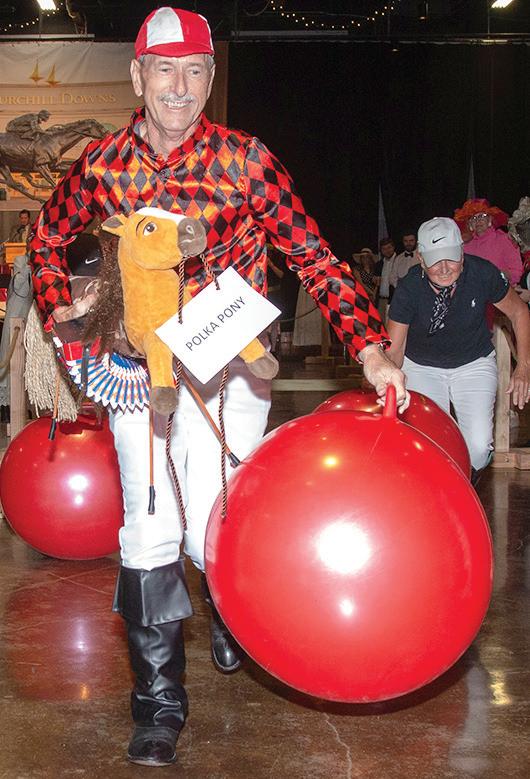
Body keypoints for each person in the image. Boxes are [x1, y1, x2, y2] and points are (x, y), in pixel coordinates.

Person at [29, 7, 407, 767]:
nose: (179, 86)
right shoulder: (101, 165)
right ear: (137, 76)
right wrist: (64, 313)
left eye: (195, 70)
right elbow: (46, 237)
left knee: (212, 508)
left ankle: (229, 601)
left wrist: (370, 348)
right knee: (150, 515)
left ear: (211, 78)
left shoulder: (246, 161)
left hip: (233, 360)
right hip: (141, 367)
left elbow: (312, 254)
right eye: (164, 69)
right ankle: (159, 701)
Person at [386, 217, 530, 484]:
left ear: (462, 253)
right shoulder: (409, 287)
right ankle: (442, 494)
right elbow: (395, 351)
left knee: (478, 447)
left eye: (451, 258)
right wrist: (386, 380)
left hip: (473, 363)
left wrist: (523, 367)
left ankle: (463, 487)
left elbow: (520, 312)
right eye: (434, 260)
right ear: (421, 258)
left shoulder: (483, 273)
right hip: (422, 367)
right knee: (434, 440)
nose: (444, 269)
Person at [453, 198, 523, 286]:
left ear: (490, 220)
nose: (478, 220)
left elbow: (516, 272)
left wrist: (497, 275)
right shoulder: (465, 246)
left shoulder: (504, 239)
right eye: (474, 218)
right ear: (470, 224)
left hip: (501, 290)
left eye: (482, 216)